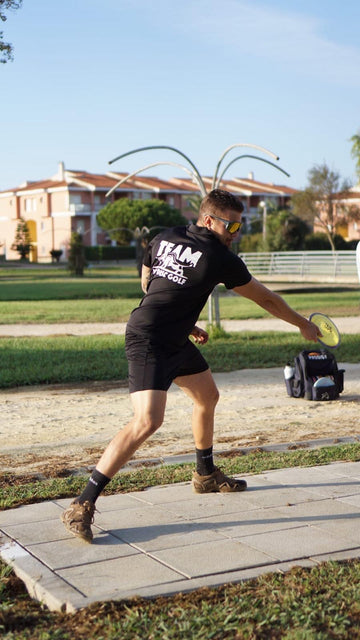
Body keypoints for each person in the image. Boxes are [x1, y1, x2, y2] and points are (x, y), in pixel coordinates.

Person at [61, 189, 320, 542]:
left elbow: (148, 277)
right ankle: (82, 502)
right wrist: (303, 323)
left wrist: (182, 320)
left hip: (173, 337)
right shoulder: (218, 255)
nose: (235, 233)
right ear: (210, 220)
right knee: (147, 421)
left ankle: (205, 474)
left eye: (240, 225)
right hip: (149, 339)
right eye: (231, 225)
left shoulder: (164, 235)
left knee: (206, 396)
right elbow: (267, 299)